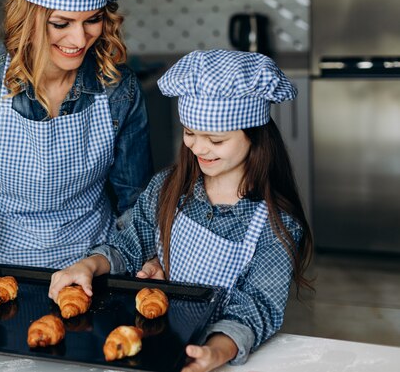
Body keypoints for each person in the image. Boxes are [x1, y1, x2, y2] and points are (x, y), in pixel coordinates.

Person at [49, 50, 314, 372]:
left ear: (255, 137)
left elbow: (257, 305)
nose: (199, 148)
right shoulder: (167, 187)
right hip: (157, 339)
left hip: (217, 356)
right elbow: (131, 245)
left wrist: (215, 352)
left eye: (216, 140)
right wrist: (89, 264)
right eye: (190, 133)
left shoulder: (275, 223)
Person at [0, 0, 153, 290]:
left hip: (95, 271)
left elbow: (135, 204)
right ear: (29, 19)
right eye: (62, 23)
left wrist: (146, 259)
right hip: (6, 275)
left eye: (92, 20)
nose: (80, 40)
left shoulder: (117, 89)